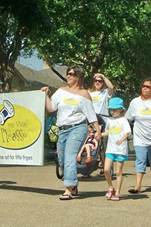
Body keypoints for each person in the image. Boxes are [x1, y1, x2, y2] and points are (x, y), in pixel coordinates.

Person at [41, 65, 101, 201]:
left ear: (78, 77)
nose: (68, 76)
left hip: (78, 128)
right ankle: (73, 184)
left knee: (70, 157)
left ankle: (68, 188)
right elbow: (51, 108)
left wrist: (97, 129)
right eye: (67, 74)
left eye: (72, 74)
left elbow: (91, 115)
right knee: (61, 159)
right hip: (62, 130)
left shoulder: (84, 94)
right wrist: (45, 95)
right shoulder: (61, 91)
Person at [102, 97, 131, 201]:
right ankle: (110, 187)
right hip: (110, 149)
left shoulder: (123, 120)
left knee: (118, 172)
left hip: (120, 150)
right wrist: (100, 135)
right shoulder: (109, 120)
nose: (113, 111)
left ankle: (118, 192)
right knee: (106, 169)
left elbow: (127, 133)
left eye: (115, 109)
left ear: (120, 109)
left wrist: (121, 140)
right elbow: (107, 132)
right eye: (111, 110)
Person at [88, 72, 114, 176]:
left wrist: (103, 76)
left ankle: (105, 167)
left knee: (103, 146)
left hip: (103, 120)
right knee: (90, 144)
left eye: (100, 81)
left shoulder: (105, 93)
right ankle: (87, 168)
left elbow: (111, 87)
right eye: (96, 81)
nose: (98, 82)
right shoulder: (89, 93)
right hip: (91, 121)